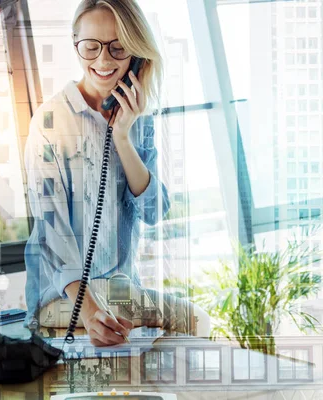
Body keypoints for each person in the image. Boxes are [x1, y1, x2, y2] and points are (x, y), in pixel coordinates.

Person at [24, 0, 209, 347]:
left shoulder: (139, 119)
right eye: (91, 47)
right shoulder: (50, 122)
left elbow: (155, 211)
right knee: (190, 322)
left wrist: (123, 135)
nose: (104, 61)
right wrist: (91, 312)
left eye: (118, 47)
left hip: (122, 289)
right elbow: (54, 236)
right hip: (61, 299)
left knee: (195, 324)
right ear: (76, 44)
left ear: (136, 55)